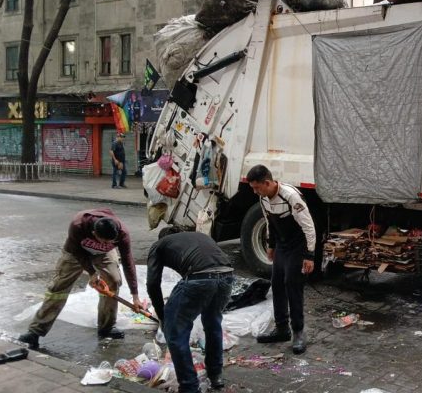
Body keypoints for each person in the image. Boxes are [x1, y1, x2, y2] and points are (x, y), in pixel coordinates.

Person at [18, 209, 142, 349]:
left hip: (104, 255)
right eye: (103, 241)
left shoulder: (122, 233)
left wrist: (135, 295)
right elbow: (76, 251)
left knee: (113, 280)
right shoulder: (78, 225)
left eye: (110, 242)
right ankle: (35, 332)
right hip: (76, 252)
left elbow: (128, 261)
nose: (106, 243)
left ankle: (106, 327)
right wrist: (92, 272)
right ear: (94, 233)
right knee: (58, 287)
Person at [147, 226, 234, 392]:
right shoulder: (197, 237)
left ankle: (189, 386)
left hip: (200, 277)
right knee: (213, 323)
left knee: (175, 331)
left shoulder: (159, 245)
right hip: (226, 276)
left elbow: (152, 284)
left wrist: (163, 317)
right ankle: (216, 375)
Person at [246, 164, 316, 354]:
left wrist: (309, 255)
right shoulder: (263, 198)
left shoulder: (290, 196)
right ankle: (282, 328)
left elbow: (309, 226)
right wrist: (271, 245)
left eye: (257, 187)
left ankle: (298, 332)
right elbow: (269, 222)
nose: (255, 192)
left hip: (298, 245)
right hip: (282, 245)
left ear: (267, 183)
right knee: (276, 284)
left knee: (292, 284)